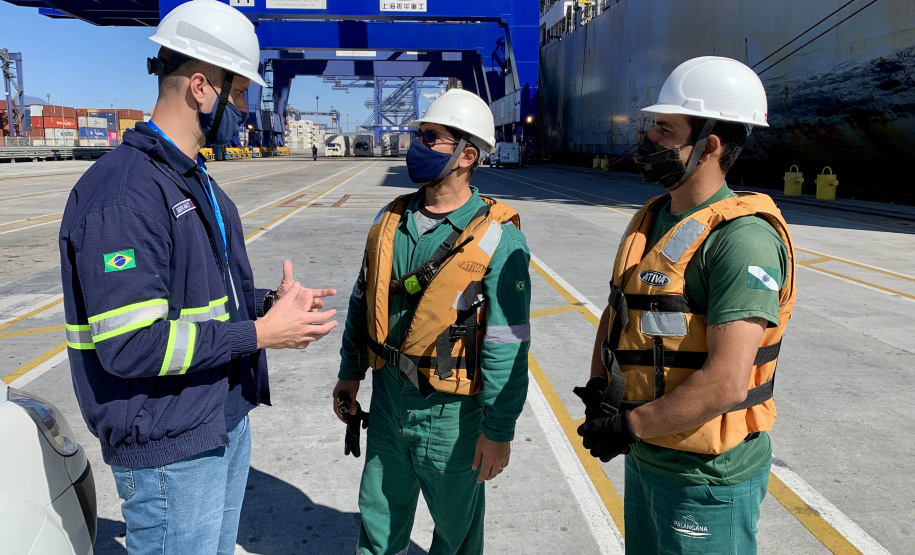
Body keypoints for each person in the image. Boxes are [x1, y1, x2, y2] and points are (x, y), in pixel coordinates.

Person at [58, 1, 337, 553]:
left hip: (218, 420)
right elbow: (130, 344)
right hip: (168, 442)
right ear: (202, 88)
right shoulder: (124, 197)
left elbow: (194, 296)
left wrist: (264, 304)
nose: (245, 109)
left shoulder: (194, 180)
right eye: (239, 94)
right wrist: (260, 334)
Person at [575, 56, 797, 554]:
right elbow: (619, 311)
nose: (648, 139)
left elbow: (725, 382)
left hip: (706, 478)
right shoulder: (653, 219)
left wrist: (629, 425)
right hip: (650, 456)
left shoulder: (743, 242)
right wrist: (599, 390)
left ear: (708, 146)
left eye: (663, 129)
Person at [334, 88, 531, 555]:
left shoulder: (499, 240)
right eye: (419, 135)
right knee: (377, 523)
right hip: (386, 402)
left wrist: (498, 431)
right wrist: (349, 373)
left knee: (457, 535)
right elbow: (362, 302)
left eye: (432, 137)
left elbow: (507, 343)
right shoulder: (389, 220)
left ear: (467, 155)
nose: (417, 145)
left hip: (452, 417)